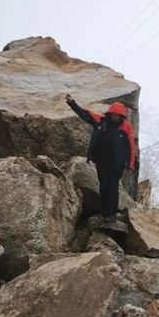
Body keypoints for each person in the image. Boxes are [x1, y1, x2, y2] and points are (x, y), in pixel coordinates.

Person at [65, 94, 136, 223]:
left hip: (117, 162)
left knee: (113, 186)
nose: (116, 117)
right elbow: (84, 114)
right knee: (103, 185)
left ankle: (111, 213)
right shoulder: (100, 120)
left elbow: (131, 146)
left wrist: (130, 164)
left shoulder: (126, 127)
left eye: (118, 115)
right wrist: (72, 103)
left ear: (122, 116)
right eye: (114, 114)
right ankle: (105, 211)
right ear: (110, 114)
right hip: (102, 160)